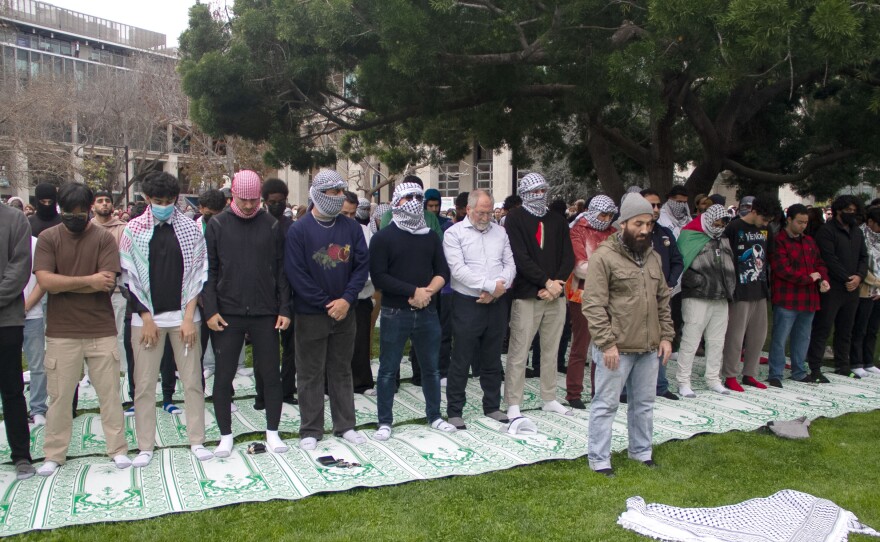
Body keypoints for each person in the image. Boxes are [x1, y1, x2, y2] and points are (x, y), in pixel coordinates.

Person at [34, 183, 130, 476]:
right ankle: (54, 453)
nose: (74, 217)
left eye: (79, 212)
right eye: (68, 212)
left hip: (101, 329)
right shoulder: (48, 239)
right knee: (60, 396)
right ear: (60, 210)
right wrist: (87, 281)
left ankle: (117, 449)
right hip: (61, 331)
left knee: (110, 394)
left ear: (89, 209)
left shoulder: (103, 238)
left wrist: (67, 282)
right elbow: (46, 282)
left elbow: (107, 282)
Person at [119, 172, 212, 467]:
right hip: (146, 319)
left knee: (192, 381)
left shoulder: (189, 228)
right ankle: (145, 445)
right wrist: (146, 318)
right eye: (158, 201)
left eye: (169, 201)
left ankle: (196, 439)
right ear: (147, 199)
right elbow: (129, 280)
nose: (163, 205)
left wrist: (188, 318)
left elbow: (198, 275)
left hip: (185, 317)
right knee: (144, 384)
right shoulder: (133, 229)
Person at [583, 194, 674, 477]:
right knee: (606, 404)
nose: (645, 229)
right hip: (616, 349)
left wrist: (666, 336)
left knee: (644, 405)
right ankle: (599, 459)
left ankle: (641, 452)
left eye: (648, 223)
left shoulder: (654, 257)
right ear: (623, 224)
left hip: (648, 348)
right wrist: (607, 343)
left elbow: (662, 300)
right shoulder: (603, 256)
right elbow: (593, 304)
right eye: (638, 223)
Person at [203, 170, 291, 457]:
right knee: (223, 374)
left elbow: (281, 270)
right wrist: (211, 310)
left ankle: (273, 432)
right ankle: (225, 435)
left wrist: (284, 308)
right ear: (233, 197)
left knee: (270, 374)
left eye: (254, 200)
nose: (250, 205)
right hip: (228, 312)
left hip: (265, 311)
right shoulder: (217, 225)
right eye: (244, 200)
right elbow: (210, 271)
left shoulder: (270, 225)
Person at [286, 171, 369, 450]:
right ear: (318, 195)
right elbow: (296, 274)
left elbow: (360, 267)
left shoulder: (352, 229)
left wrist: (346, 299)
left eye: (340, 192)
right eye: (332, 193)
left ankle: (345, 424)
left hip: (346, 311)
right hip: (311, 313)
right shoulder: (299, 230)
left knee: (341, 369)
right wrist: (325, 303)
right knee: (309, 372)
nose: (338, 198)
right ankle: (310, 428)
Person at [370, 182, 455, 440]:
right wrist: (412, 291)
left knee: (431, 368)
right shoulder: (383, 237)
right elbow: (379, 277)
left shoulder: (430, 235)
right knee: (388, 369)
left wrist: (426, 292)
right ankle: (385, 421)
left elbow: (443, 271)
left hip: (427, 311)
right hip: (396, 313)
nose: (414, 201)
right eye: (408, 197)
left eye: (418, 197)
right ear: (396, 201)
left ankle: (435, 416)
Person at [503, 172, 575, 426]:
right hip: (527, 295)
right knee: (519, 350)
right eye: (534, 191)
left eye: (543, 190)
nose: (539, 195)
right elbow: (520, 257)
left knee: (551, 348)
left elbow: (568, 257)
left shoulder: (557, 220)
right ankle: (514, 403)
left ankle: (549, 397)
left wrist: (557, 285)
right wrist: (545, 283)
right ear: (524, 193)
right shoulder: (514, 219)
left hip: (555, 295)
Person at [443, 190, 516, 429]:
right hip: (468, 304)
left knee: (492, 357)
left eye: (489, 212)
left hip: (496, 303)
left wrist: (498, 289)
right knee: (462, 357)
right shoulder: (454, 234)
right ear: (469, 209)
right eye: (481, 212)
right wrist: (489, 287)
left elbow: (510, 264)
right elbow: (458, 270)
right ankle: (455, 410)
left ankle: (492, 406)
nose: (486, 217)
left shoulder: (500, 232)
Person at [673, 204, 736, 397]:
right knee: (690, 340)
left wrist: (730, 287)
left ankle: (713, 379)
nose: (720, 225)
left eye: (724, 221)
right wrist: (698, 281)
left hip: (721, 296)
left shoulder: (723, 237)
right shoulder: (690, 235)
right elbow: (681, 264)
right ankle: (683, 381)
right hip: (697, 296)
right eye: (717, 221)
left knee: (717, 341)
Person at [806, 195, 868, 381]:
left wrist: (859, 277)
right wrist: (847, 278)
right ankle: (815, 367)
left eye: (854, 211)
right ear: (838, 211)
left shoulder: (857, 232)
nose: (852, 214)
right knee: (823, 327)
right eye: (848, 210)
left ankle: (842, 364)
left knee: (846, 329)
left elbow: (864, 257)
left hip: (852, 288)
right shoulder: (827, 231)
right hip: (833, 287)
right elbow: (828, 258)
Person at [564, 195, 618, 409]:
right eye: (602, 214)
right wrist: (611, 272)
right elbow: (580, 267)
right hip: (583, 295)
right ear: (593, 211)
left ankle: (601, 390)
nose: (605, 219)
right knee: (581, 345)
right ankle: (573, 392)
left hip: (610, 296)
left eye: (609, 215)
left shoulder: (614, 234)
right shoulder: (578, 230)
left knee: (605, 345)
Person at [767, 204, 830, 387]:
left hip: (808, 298)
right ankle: (776, 373)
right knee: (780, 337)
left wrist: (823, 279)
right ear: (789, 219)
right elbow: (782, 269)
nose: (803, 226)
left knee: (803, 337)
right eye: (800, 222)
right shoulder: (779, 241)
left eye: (806, 222)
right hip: (787, 297)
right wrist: (808, 278)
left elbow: (820, 264)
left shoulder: (809, 241)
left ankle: (799, 371)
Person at [721, 196, 775, 392]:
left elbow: (769, 255)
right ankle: (730, 374)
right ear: (754, 211)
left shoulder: (766, 230)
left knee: (758, 335)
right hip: (739, 290)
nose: (766, 224)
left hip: (759, 288)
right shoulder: (734, 228)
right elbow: (726, 258)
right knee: (735, 336)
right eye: (764, 219)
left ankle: (750, 373)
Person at [254, 178, 297, 409]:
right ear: (265, 201)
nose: (277, 205)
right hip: (265, 296)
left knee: (291, 348)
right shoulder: (259, 225)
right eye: (272, 202)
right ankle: (262, 395)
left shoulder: (292, 227)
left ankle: (287, 390)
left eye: (281, 201)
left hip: (290, 295)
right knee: (264, 350)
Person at [0, 200, 36, 480]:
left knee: (11, 389)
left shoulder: (15, 220)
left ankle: (21, 455)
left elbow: (20, 268)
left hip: (7, 319)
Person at [638, 188, 684, 400]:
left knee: (662, 338)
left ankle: (661, 386)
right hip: (635, 298)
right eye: (650, 205)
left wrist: (670, 283)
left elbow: (677, 261)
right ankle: (627, 389)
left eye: (657, 205)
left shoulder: (664, 233)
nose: (655, 209)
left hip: (661, 296)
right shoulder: (631, 234)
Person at [340, 191, 376, 395]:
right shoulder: (328, 229)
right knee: (335, 344)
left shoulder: (364, 231)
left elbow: (368, 264)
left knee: (360, 340)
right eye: (345, 214)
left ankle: (362, 382)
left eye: (353, 214)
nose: (350, 219)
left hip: (360, 295)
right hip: (335, 297)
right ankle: (329, 385)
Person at [91, 190, 129, 374]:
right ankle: (92, 373)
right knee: (91, 334)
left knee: (118, 333)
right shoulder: (86, 228)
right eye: (100, 201)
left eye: (107, 201)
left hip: (117, 291)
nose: (104, 204)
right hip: (90, 291)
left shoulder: (123, 228)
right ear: (93, 206)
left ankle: (122, 369)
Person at [850, 205, 880, 377]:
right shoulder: (861, 235)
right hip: (865, 287)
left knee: (873, 327)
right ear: (870, 222)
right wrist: (876, 282)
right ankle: (856, 360)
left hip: (878, 289)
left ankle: (868, 360)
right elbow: (861, 263)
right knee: (860, 326)